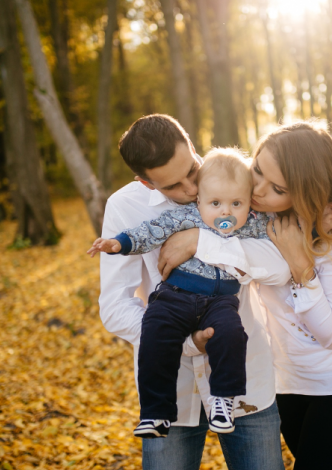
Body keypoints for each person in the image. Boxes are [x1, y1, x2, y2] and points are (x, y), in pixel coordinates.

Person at [161, 121, 332, 470]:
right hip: (287, 378)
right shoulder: (256, 214)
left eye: (277, 187)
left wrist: (301, 265)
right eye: (257, 171)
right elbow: (215, 175)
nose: (259, 190)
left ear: (304, 190)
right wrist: (153, 177)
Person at [97, 114, 287, 470]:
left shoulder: (237, 179)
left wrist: (202, 241)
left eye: (193, 170)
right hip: (174, 388)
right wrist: (187, 343)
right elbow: (114, 307)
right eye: (173, 185)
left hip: (246, 379)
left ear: (194, 148)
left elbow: (279, 267)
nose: (189, 188)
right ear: (146, 182)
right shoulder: (124, 207)